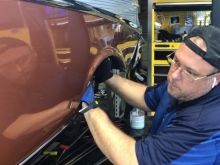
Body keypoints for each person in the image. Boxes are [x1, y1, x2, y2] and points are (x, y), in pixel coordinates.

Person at [80, 25, 220, 164]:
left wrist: (89, 107)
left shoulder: (206, 123)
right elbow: (146, 97)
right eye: (176, 61)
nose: (174, 76)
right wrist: (108, 77)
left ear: (217, 78)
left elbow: (132, 160)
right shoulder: (183, 85)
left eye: (190, 72)